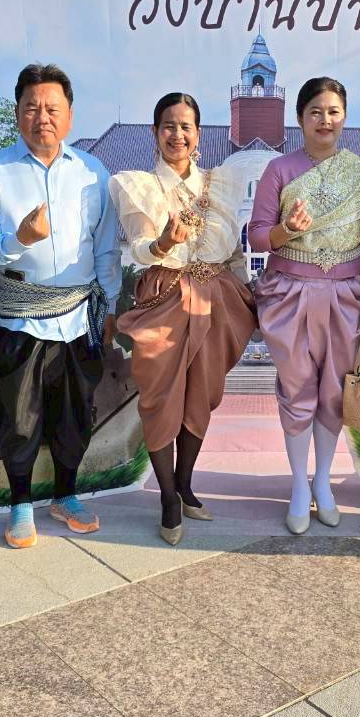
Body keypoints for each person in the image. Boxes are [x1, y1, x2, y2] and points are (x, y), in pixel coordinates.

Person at [0, 63, 121, 548]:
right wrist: (18, 239)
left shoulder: (91, 172)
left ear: (70, 116)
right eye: (31, 107)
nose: (42, 117)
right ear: (17, 113)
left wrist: (110, 306)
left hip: (79, 317)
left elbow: (106, 246)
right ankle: (19, 504)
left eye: (52, 108)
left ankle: (66, 495)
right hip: (19, 318)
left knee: (75, 414)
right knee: (21, 417)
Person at [110, 93, 258, 545]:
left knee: (202, 395)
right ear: (155, 133)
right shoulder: (138, 185)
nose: (177, 134)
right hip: (163, 292)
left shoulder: (222, 183)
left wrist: (243, 297)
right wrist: (161, 244)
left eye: (186, 126)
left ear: (198, 135)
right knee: (159, 396)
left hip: (217, 298)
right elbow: (135, 250)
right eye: (168, 126)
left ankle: (187, 484)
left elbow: (233, 251)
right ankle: (168, 497)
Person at [248, 77, 360, 534]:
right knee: (296, 388)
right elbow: (256, 235)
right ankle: (297, 486)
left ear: (344, 116)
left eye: (333, 111)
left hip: (348, 295)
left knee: (334, 389)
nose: (324, 120)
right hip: (290, 289)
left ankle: (323, 483)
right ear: (300, 118)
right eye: (315, 112)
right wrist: (287, 231)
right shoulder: (279, 170)